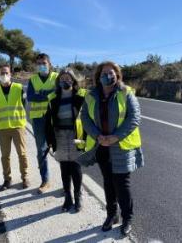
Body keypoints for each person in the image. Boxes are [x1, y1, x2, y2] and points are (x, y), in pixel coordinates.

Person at [80, 61, 143, 236]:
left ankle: (127, 218)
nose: (108, 76)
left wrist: (116, 136)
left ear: (117, 75)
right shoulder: (91, 95)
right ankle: (111, 215)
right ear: (98, 77)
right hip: (101, 145)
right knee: (108, 182)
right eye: (104, 73)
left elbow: (134, 117)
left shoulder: (126, 92)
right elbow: (84, 117)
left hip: (121, 146)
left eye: (112, 72)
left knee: (122, 184)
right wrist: (97, 136)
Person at [45, 68, 86, 212]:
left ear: (73, 80)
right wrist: (49, 140)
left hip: (76, 135)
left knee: (75, 166)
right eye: (62, 78)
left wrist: (87, 138)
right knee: (64, 168)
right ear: (58, 81)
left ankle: (78, 196)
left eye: (68, 78)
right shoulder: (52, 97)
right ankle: (67, 197)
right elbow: (47, 121)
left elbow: (88, 117)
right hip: (59, 135)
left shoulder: (82, 95)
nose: (65, 81)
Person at [0, 65, 29, 190]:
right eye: (2, 73)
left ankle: (25, 177)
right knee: (5, 156)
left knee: (22, 154)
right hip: (3, 128)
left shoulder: (19, 88)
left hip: (18, 126)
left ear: (11, 74)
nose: (4, 75)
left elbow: (24, 104)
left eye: (6, 73)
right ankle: (7, 179)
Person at [27, 53, 59, 193]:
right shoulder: (32, 79)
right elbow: (30, 96)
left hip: (55, 118)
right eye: (39, 63)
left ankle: (67, 182)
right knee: (41, 150)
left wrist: (40, 94)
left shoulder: (57, 77)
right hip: (38, 119)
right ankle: (45, 180)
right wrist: (49, 93)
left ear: (49, 64)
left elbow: (59, 94)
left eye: (44, 63)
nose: (42, 66)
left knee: (62, 149)